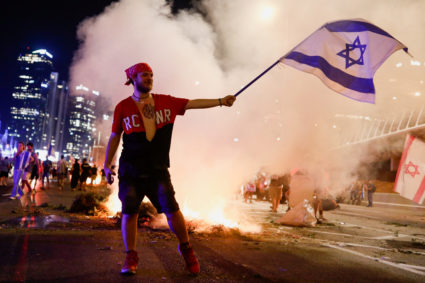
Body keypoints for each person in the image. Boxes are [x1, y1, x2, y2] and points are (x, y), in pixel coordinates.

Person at [103, 62, 235, 275]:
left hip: (158, 170)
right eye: (144, 75)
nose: (149, 78)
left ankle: (186, 249)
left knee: (172, 210)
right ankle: (131, 256)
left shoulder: (166, 102)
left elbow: (193, 104)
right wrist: (107, 165)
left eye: (151, 75)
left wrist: (221, 101)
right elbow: (115, 136)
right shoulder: (122, 107)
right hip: (131, 170)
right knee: (129, 212)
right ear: (133, 79)